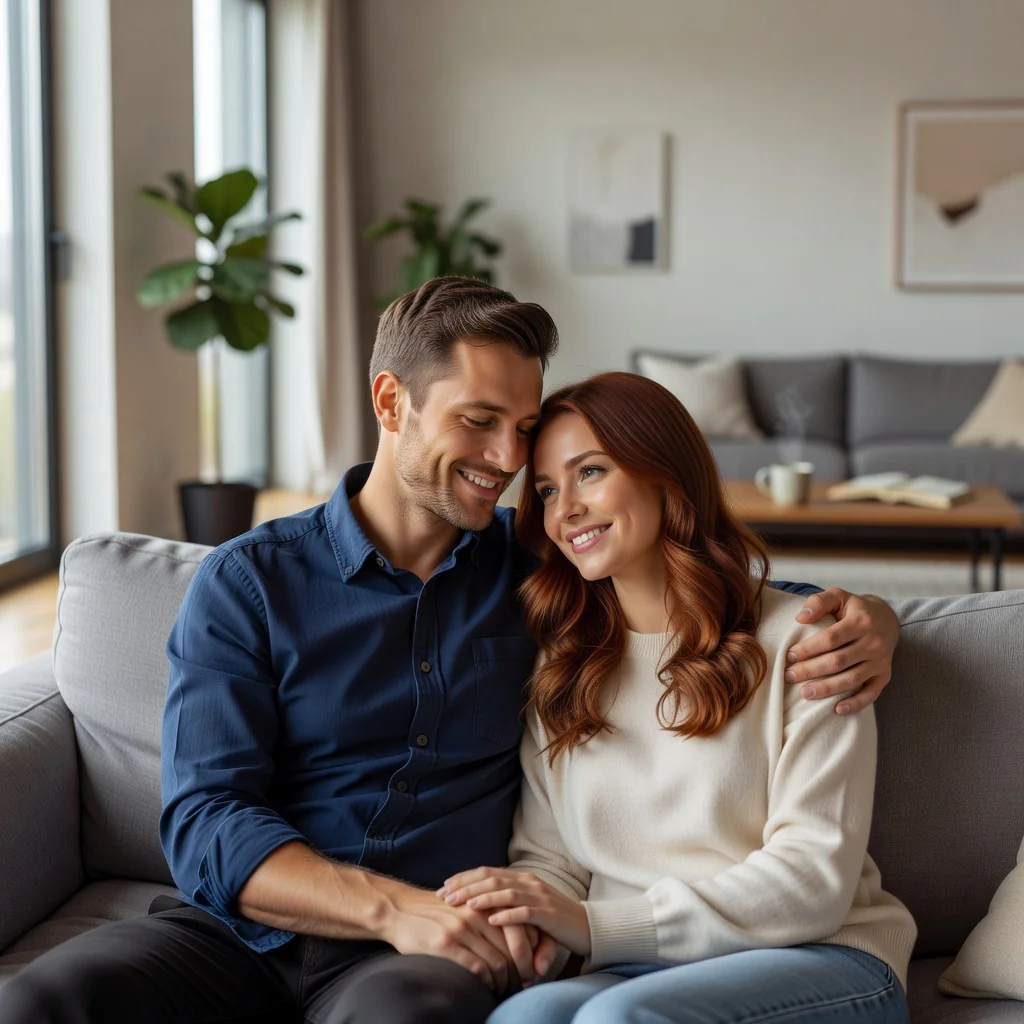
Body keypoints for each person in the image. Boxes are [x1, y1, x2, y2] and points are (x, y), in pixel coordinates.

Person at [0, 279, 902, 1024]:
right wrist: (397, 909)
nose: (508, 458)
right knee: (44, 999)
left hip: (426, 962)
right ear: (392, 402)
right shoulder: (249, 583)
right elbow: (206, 821)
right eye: (480, 422)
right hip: (246, 936)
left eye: (523, 430)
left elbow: (690, 593)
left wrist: (871, 618)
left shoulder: (543, 571)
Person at [441, 371, 916, 1024]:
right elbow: (551, 858)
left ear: (666, 474)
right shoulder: (564, 663)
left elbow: (812, 881)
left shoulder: (806, 643)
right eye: (547, 490)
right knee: (523, 1018)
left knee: (619, 1020)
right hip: (638, 968)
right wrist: (531, 928)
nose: (565, 510)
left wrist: (597, 925)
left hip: (822, 956)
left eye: (590, 472)